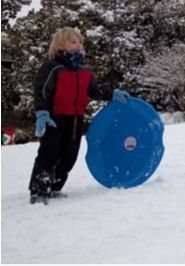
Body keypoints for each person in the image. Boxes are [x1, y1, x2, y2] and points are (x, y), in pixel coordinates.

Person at [29, 27, 130, 204]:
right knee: (49, 153)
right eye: (72, 42)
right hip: (55, 118)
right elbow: (42, 92)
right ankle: (39, 189)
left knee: (69, 156)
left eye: (79, 42)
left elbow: (95, 91)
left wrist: (112, 94)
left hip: (76, 120)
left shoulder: (85, 70)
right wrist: (42, 112)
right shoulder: (53, 68)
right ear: (61, 44)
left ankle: (54, 187)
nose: (78, 45)